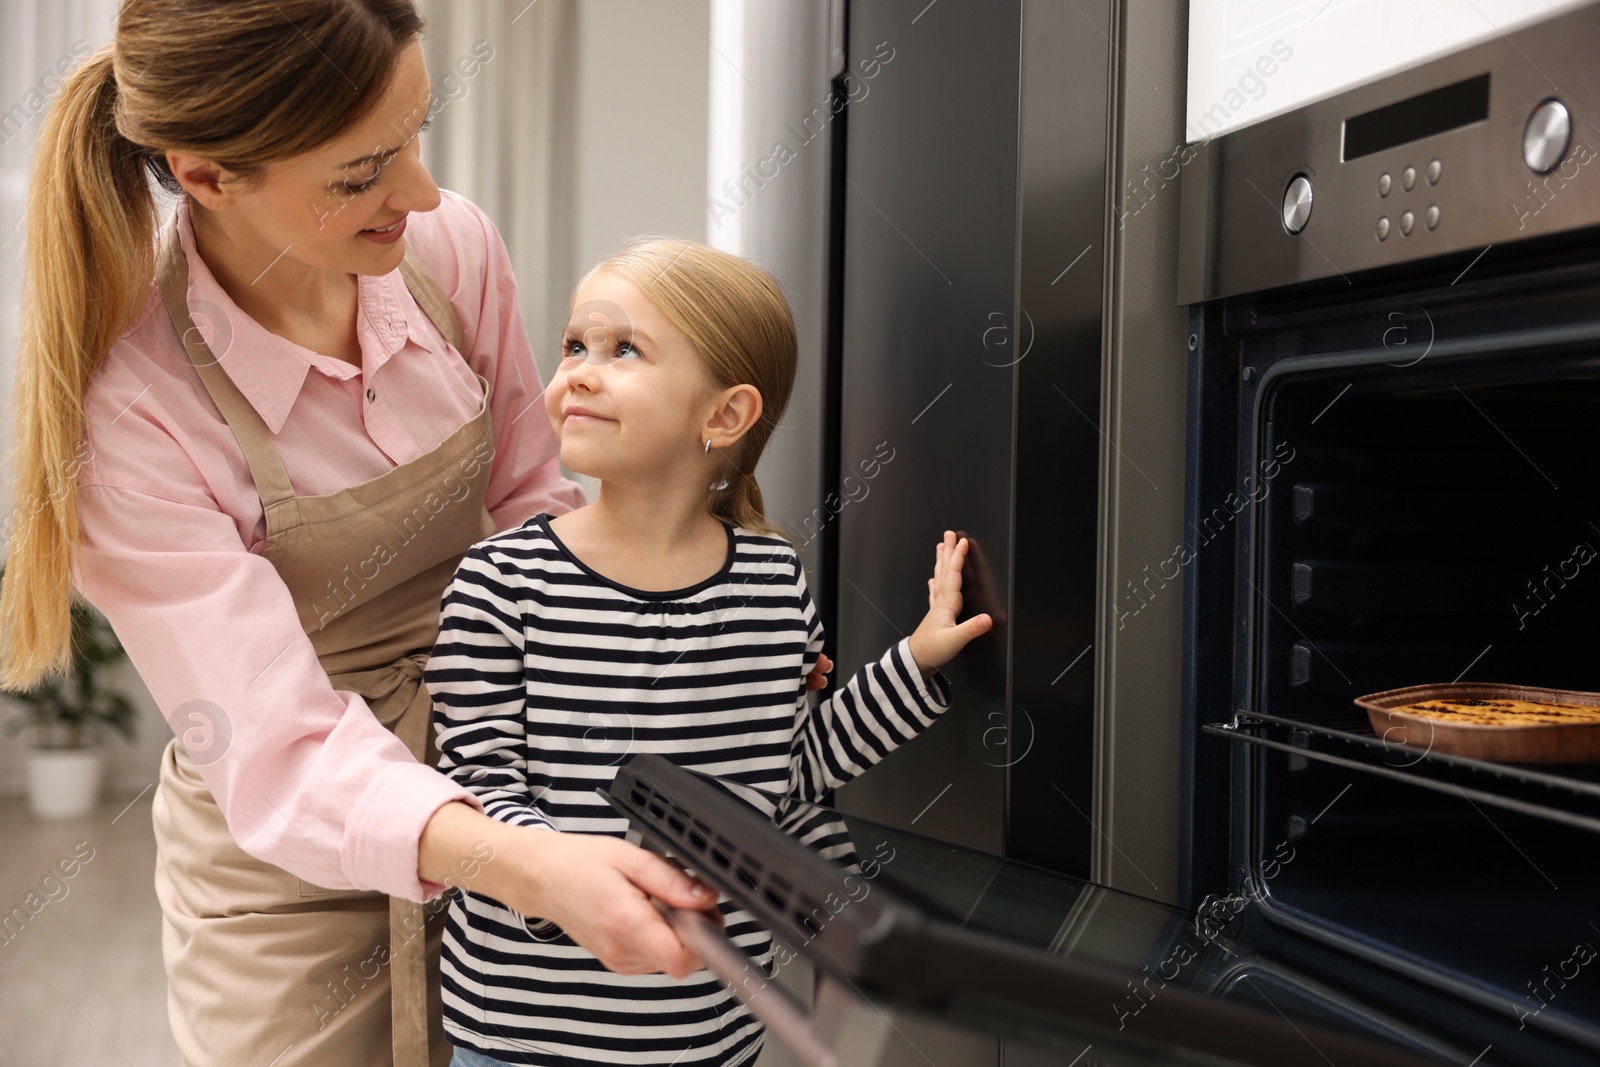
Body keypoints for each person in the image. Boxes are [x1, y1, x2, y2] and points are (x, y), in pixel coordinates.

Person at [0, 4, 826, 1065]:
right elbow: (277, 739)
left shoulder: (445, 249)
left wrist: (690, 649)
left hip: (525, 765)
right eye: (362, 172)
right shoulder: (132, 404)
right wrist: (519, 859)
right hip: (298, 872)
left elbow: (539, 499)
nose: (423, 192)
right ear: (206, 175)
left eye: (417, 133)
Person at [425, 238, 994, 1066]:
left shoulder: (772, 583)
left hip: (706, 1036)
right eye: (575, 345)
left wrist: (918, 661)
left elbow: (783, 774)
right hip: (522, 1034)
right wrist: (577, 888)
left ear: (724, 415)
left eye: (624, 350)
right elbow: (482, 795)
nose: (579, 371)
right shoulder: (501, 580)